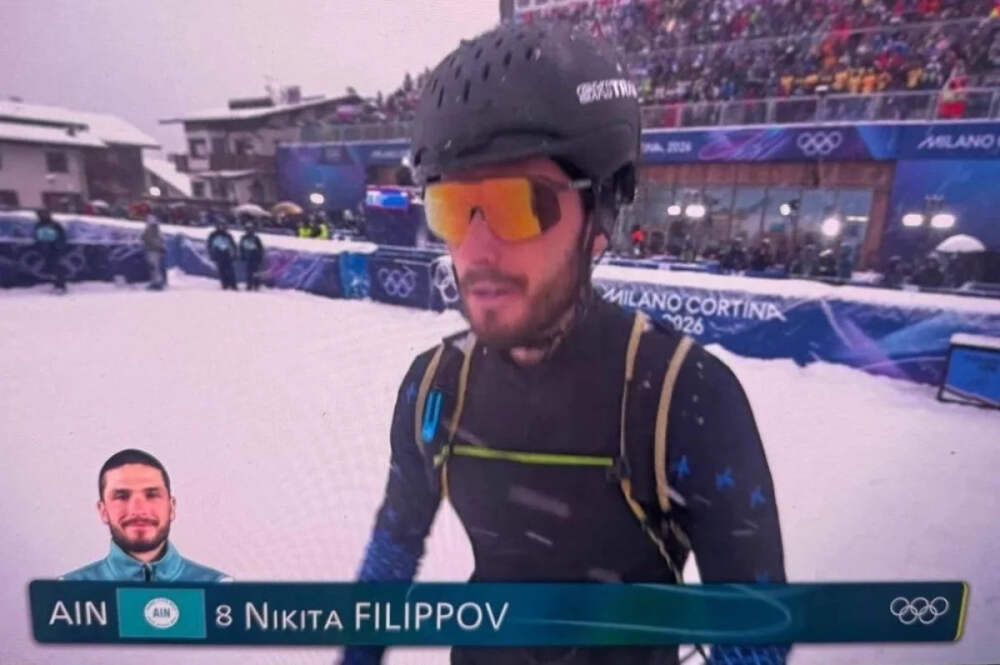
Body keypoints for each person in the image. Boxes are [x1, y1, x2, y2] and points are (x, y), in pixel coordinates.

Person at [343, 22, 787, 665]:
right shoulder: (434, 386)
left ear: (600, 215)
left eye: (519, 205)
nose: (477, 250)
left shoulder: (682, 395)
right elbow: (390, 555)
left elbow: (754, 630)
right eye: (452, 209)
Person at [62, 449, 229, 582]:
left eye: (152, 495)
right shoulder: (69, 591)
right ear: (103, 511)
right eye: (122, 496)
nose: (138, 510)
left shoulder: (219, 588)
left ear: (171, 507)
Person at [32, 209, 67, 293]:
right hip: (45, 249)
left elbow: (62, 236)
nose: (43, 215)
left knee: (57, 266)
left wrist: (59, 246)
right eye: (41, 214)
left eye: (45, 214)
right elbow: (37, 236)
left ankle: (61, 286)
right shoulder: (39, 224)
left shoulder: (55, 224)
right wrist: (40, 246)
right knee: (51, 267)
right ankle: (56, 285)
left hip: (55, 248)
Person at [206, 216, 238, 290]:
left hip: (227, 253)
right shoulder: (213, 235)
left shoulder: (228, 235)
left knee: (230, 270)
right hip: (218, 253)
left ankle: (233, 285)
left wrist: (234, 254)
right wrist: (212, 254)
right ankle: (225, 284)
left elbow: (233, 245)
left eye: (223, 225)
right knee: (222, 270)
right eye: (220, 225)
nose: (222, 227)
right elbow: (209, 245)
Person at [141, 216, 166, 290]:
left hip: (154, 251)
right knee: (152, 267)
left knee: (155, 267)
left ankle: (158, 283)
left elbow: (155, 240)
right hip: (150, 250)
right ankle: (154, 282)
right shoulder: (149, 229)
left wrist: (159, 247)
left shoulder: (154, 230)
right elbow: (145, 238)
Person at [239, 220, 265, 291]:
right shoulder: (243, 238)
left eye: (251, 229)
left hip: (255, 257)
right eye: (248, 229)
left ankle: (256, 284)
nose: (249, 230)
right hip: (248, 257)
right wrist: (242, 255)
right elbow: (241, 247)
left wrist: (259, 256)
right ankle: (249, 285)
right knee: (249, 272)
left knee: (256, 272)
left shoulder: (256, 238)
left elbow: (260, 248)